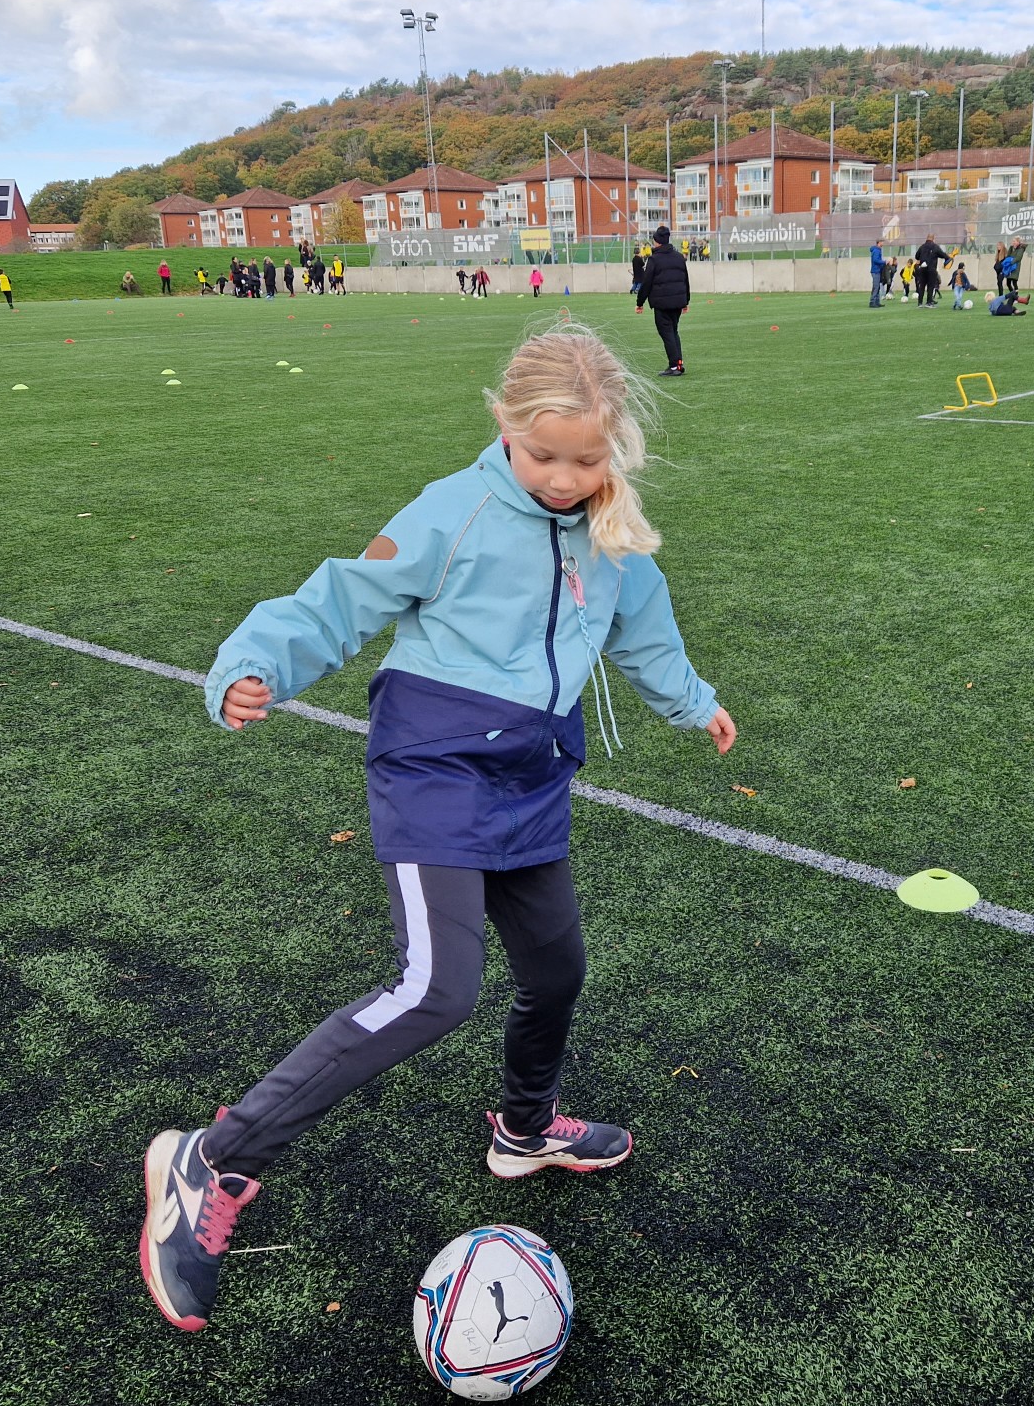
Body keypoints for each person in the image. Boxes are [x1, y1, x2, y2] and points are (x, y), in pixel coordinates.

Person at [139, 325, 736, 1333]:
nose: (562, 478)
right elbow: (339, 598)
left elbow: (645, 637)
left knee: (556, 972)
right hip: (436, 764)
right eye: (542, 455)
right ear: (504, 425)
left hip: (532, 773)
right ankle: (214, 1158)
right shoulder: (452, 512)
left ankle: (524, 1129)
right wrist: (255, 665)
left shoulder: (614, 536)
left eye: (585, 460)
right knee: (435, 988)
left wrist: (695, 703)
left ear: (615, 447)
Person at [635, 224, 690, 377]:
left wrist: (639, 303)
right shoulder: (679, 257)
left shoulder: (654, 260)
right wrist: (686, 301)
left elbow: (646, 283)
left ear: (657, 241)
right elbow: (685, 280)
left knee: (667, 333)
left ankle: (674, 366)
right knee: (673, 331)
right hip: (677, 302)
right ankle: (678, 363)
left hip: (662, 303)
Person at [913, 235, 950, 307]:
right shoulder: (935, 247)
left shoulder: (922, 247)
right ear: (933, 239)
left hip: (922, 269)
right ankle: (929, 302)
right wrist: (948, 257)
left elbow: (916, 256)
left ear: (926, 238)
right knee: (930, 286)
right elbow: (943, 255)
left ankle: (920, 303)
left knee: (922, 286)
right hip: (931, 269)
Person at [868, 242, 885, 308]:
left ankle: (877, 302)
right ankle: (872, 302)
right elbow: (876, 260)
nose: (883, 243)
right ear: (879, 242)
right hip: (875, 271)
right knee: (876, 287)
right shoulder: (876, 251)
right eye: (882, 242)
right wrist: (884, 262)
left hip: (877, 271)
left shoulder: (878, 250)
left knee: (877, 287)